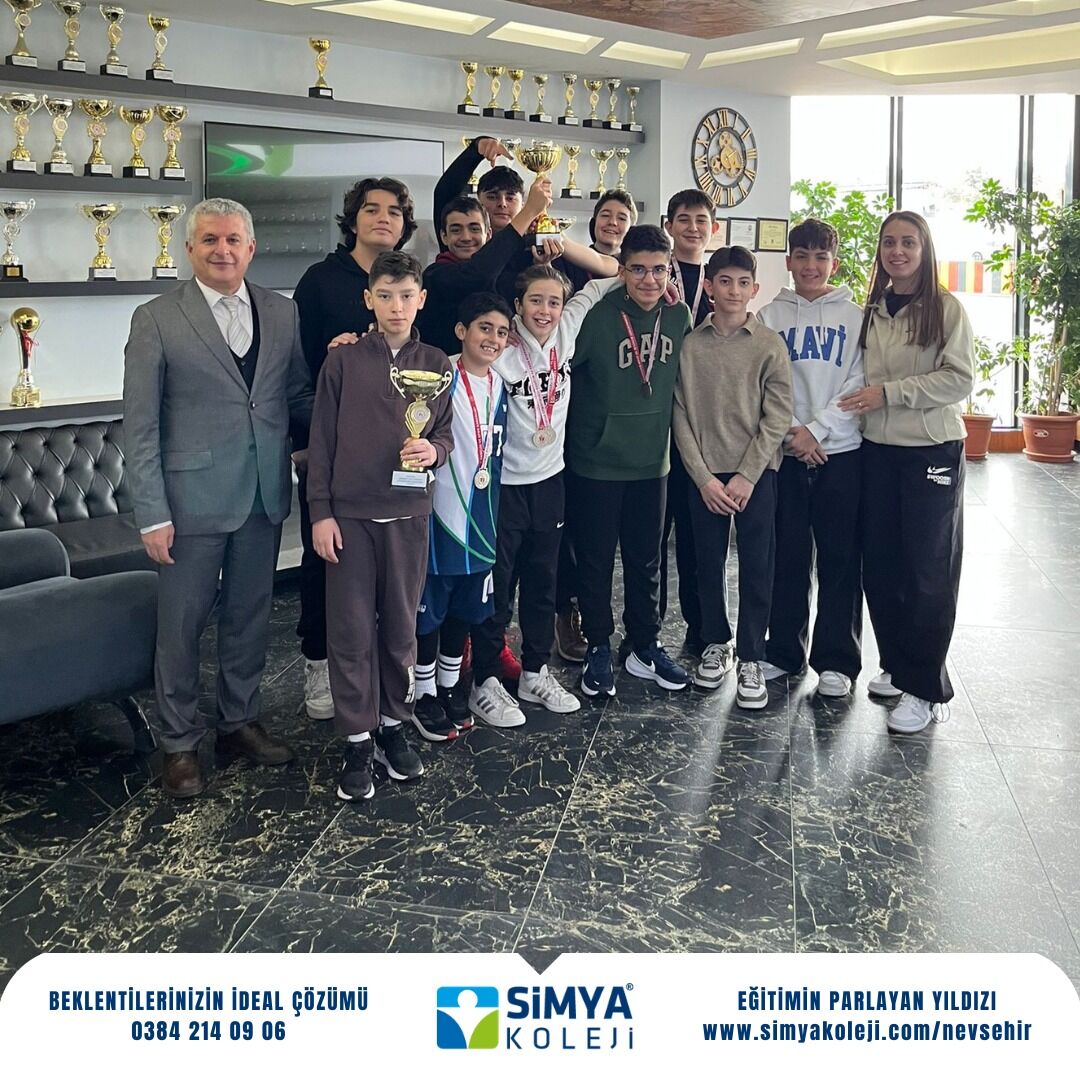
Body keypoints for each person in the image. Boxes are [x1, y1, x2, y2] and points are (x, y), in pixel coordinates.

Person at [123, 197, 314, 798]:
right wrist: (151, 513)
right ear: (190, 249)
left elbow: (295, 396)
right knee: (180, 629)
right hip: (188, 503)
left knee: (250, 618)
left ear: (251, 248)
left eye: (233, 239)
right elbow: (141, 426)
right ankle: (179, 743)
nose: (222, 249)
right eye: (209, 240)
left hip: (262, 495)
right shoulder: (156, 318)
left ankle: (238, 722)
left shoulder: (282, 312)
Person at [306, 251, 454, 801]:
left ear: (422, 300)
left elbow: (446, 434)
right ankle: (357, 739)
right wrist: (321, 512)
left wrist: (433, 452)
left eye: (406, 296)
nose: (396, 306)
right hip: (349, 518)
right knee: (349, 632)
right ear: (368, 299)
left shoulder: (436, 363)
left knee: (400, 629)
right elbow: (321, 442)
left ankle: (394, 725)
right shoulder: (342, 361)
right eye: (385, 295)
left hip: (409, 516)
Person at [467, 264, 622, 725]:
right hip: (502, 488)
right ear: (518, 305)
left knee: (543, 582)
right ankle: (486, 681)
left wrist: (651, 277)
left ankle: (535, 670)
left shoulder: (567, 331)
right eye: (536, 300)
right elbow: (458, 363)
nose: (546, 310)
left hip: (550, 481)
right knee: (498, 586)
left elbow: (596, 288)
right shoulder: (501, 348)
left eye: (554, 302)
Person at [839, 211, 973, 734]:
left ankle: (925, 688)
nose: (897, 251)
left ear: (924, 249)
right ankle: (897, 665)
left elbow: (957, 378)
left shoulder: (945, 308)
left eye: (908, 243)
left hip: (930, 450)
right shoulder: (873, 310)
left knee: (927, 570)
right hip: (877, 450)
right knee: (882, 566)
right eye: (889, 242)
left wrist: (890, 394)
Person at [293, 177, 416, 724]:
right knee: (325, 562)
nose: (382, 217)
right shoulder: (320, 281)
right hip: (331, 456)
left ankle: (385, 683)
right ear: (353, 219)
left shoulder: (411, 279)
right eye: (371, 209)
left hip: (396, 464)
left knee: (392, 582)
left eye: (393, 210)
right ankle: (319, 661)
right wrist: (305, 442)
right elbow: (296, 370)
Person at [564, 224, 693, 698]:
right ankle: (599, 644)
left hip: (651, 462)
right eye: (638, 270)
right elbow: (561, 369)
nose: (649, 280)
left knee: (647, 560)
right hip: (595, 461)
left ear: (670, 271)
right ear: (621, 270)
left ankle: (644, 645)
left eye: (659, 270)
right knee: (595, 562)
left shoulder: (678, 316)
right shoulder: (597, 315)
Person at [672, 246, 793, 709]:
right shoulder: (691, 344)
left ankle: (752, 657)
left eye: (743, 283)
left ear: (754, 289)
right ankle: (715, 642)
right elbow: (679, 414)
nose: (734, 291)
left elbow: (777, 417)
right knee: (706, 562)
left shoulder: (768, 344)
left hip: (755, 474)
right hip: (704, 474)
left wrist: (747, 475)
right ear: (709, 286)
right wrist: (703, 477)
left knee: (758, 565)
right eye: (725, 281)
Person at [756, 218, 865, 697]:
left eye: (821, 257)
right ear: (788, 261)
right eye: (801, 256)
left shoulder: (856, 318)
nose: (810, 265)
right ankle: (783, 651)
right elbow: (763, 386)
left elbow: (858, 382)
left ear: (833, 264)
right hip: (785, 454)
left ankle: (837, 661)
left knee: (841, 560)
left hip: (841, 453)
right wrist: (791, 434)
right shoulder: (769, 316)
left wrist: (816, 430)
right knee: (787, 557)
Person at [413, 293, 512, 740]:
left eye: (501, 332)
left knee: (465, 608)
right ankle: (423, 692)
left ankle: (450, 685)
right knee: (429, 610)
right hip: (440, 515)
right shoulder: (440, 379)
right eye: (484, 328)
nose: (493, 338)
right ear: (461, 331)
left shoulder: (501, 385)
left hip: (483, 517)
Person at [554, 188, 640, 663]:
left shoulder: (645, 278)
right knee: (570, 528)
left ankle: (621, 626)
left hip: (613, 419)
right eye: (605, 214)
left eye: (621, 216)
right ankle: (567, 611)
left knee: (606, 536)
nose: (612, 222)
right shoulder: (570, 268)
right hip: (564, 409)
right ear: (593, 222)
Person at [434, 137, 616, 304]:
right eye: (492, 196)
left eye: (510, 197)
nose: (502, 204)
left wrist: (547, 257)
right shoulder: (464, 245)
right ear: (479, 201)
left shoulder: (537, 241)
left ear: (522, 203)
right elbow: (444, 194)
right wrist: (475, 150)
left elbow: (608, 266)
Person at [658, 189, 721, 659]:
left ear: (713, 228)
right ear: (669, 226)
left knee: (700, 540)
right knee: (653, 538)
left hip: (704, 427)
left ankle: (702, 630)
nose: (693, 228)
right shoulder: (655, 274)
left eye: (701, 220)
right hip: (658, 423)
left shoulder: (721, 278)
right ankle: (648, 631)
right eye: (684, 219)